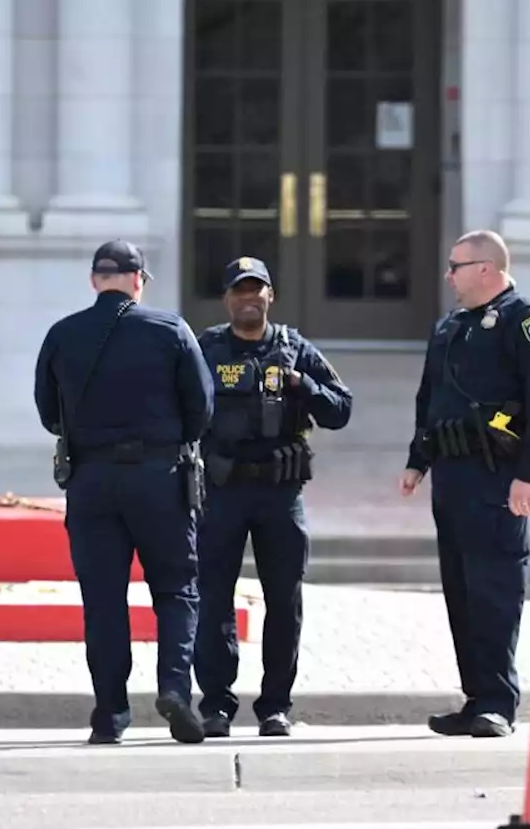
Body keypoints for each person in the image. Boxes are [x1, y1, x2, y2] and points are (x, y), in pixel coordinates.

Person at [34, 239, 215, 746]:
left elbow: (49, 412)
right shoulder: (170, 330)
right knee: (177, 589)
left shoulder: (62, 334)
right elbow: (201, 409)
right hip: (159, 478)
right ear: (139, 280)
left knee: (103, 599)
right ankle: (175, 689)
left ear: (95, 280)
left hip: (91, 481)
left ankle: (110, 715)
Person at [399, 229, 530, 738]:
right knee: (462, 592)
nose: (448, 274)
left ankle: (498, 701)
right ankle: (475, 698)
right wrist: (417, 461)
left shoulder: (528, 325)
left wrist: (528, 475)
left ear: (486, 270)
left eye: (456, 265)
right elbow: (429, 400)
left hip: (498, 479)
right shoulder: (451, 327)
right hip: (452, 478)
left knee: (494, 591)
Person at [193, 256, 353, 737]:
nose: (247, 299)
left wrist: (303, 385)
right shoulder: (205, 349)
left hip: (279, 494)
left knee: (284, 601)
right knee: (213, 599)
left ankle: (275, 707)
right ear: (226, 299)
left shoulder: (293, 348)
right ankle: (216, 705)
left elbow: (341, 408)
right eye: (239, 291)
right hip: (221, 492)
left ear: (270, 296)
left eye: (255, 290)